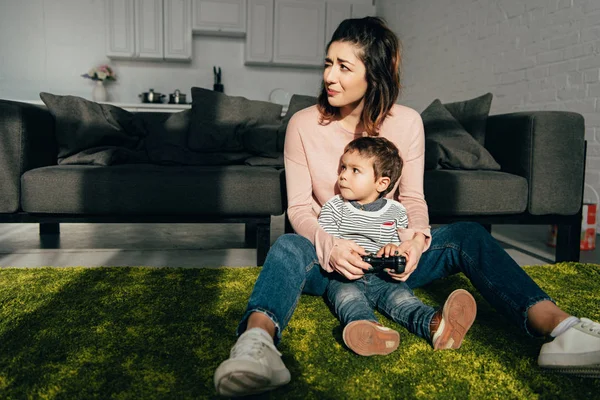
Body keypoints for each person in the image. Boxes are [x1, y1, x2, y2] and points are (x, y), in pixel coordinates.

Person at [214, 16, 600, 397]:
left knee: (467, 234)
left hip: (389, 258)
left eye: (344, 66)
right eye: (328, 63)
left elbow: (412, 199)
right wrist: (329, 245)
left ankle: (560, 329)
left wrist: (414, 242)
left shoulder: (408, 123)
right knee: (287, 246)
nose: (329, 76)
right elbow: (298, 208)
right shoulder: (303, 124)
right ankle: (257, 346)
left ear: (375, 74)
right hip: (329, 263)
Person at [319, 136, 476, 356]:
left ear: (382, 183)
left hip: (384, 277)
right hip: (346, 276)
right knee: (349, 301)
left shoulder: (396, 211)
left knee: (404, 300)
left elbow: (398, 241)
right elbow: (326, 240)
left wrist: (392, 249)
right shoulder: (335, 207)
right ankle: (368, 330)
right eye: (343, 167)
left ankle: (436, 325)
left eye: (355, 170)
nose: (343, 175)